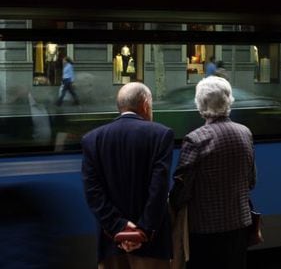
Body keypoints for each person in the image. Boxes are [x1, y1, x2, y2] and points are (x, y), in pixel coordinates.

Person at [81, 82, 174, 269]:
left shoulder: (92, 139)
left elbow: (93, 193)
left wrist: (118, 227)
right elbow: (159, 189)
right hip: (152, 246)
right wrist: (143, 231)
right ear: (146, 104)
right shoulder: (161, 134)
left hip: (111, 244)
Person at [169, 76, 256, 269]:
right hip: (239, 224)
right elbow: (251, 180)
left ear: (200, 104)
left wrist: (171, 208)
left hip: (205, 228)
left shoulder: (195, 139)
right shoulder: (245, 133)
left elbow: (182, 188)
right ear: (228, 100)